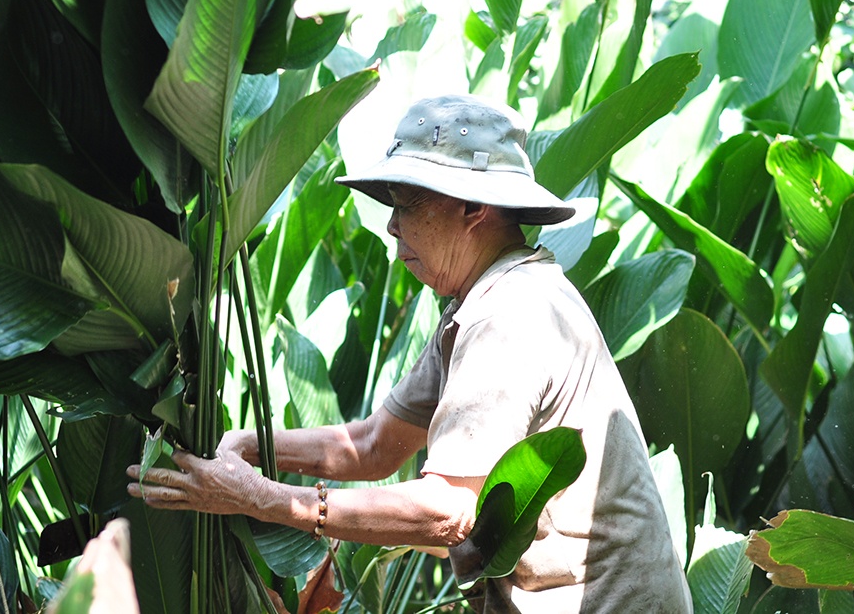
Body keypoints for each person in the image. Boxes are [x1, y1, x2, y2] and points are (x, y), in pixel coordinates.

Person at [127, 94, 692, 613]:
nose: (393, 225)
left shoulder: (509, 315)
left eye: (408, 203)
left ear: (473, 208)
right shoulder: (480, 299)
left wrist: (265, 500)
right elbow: (373, 445)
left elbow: (447, 510)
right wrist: (245, 446)